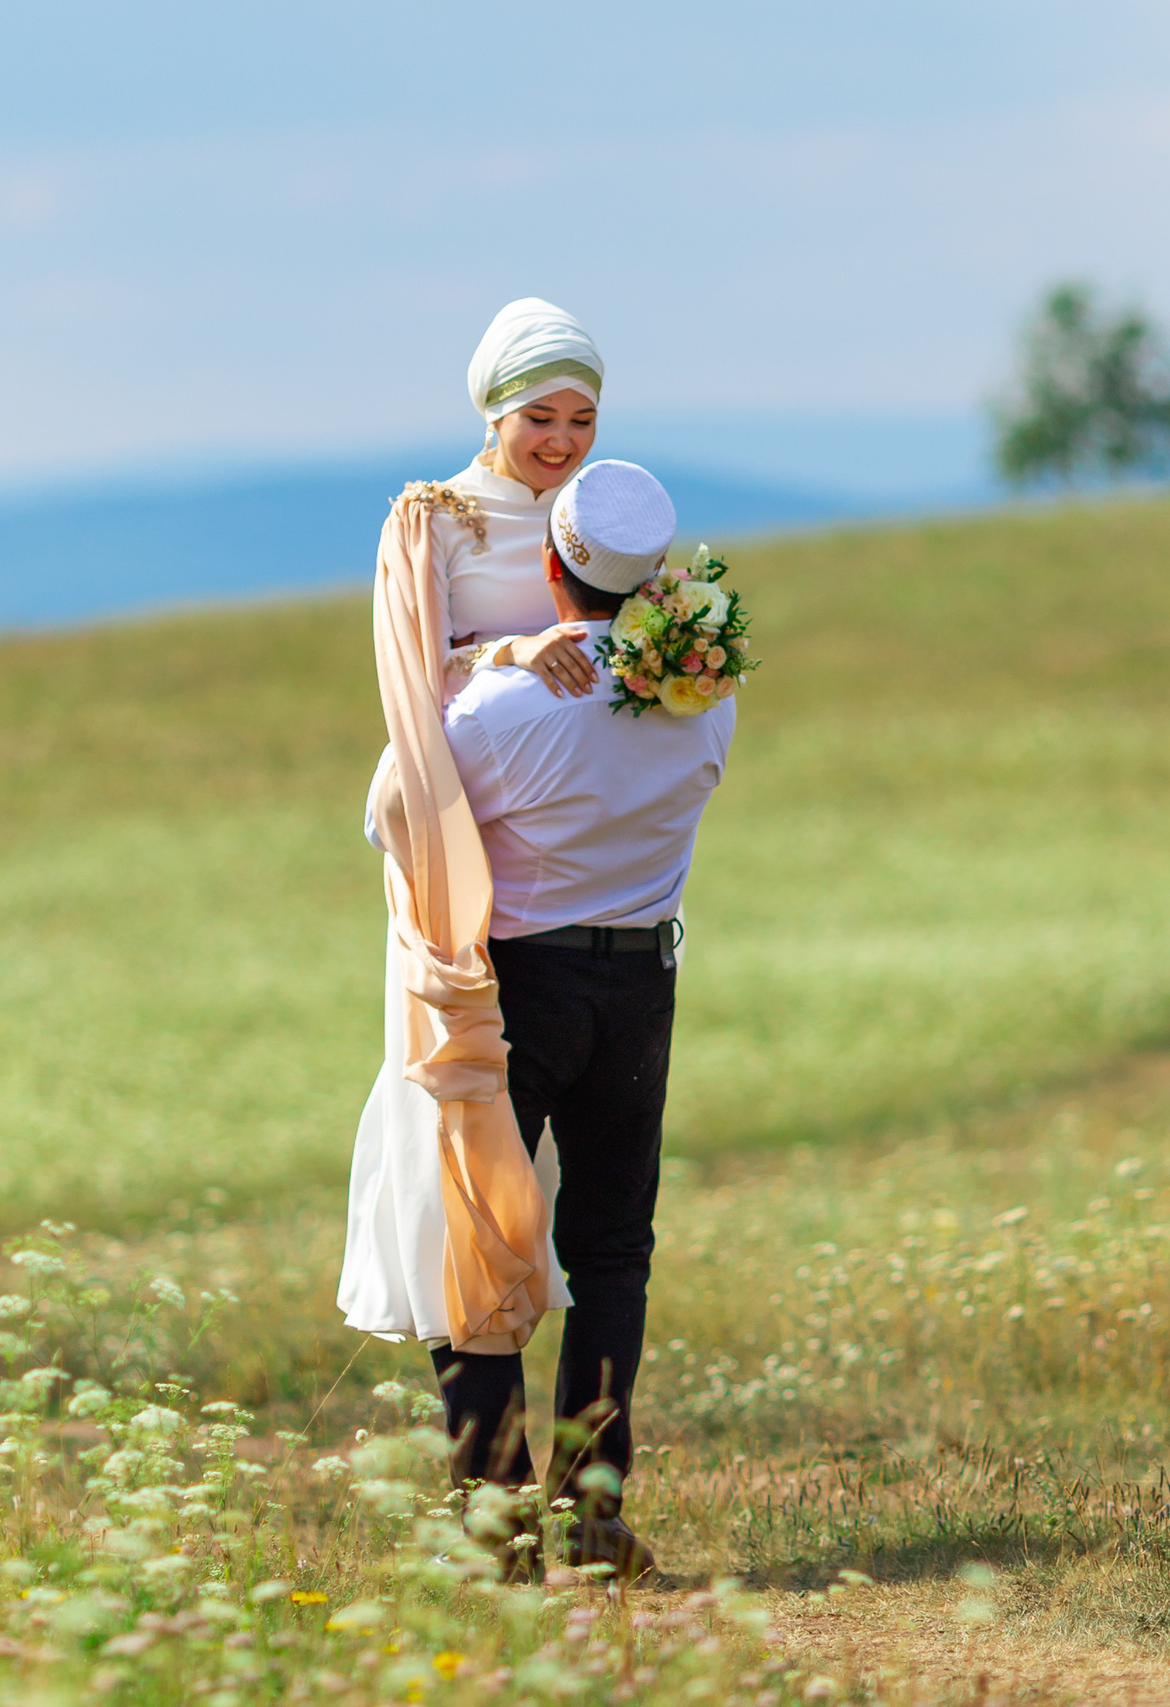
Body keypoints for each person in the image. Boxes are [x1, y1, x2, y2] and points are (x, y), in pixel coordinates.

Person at [373, 460, 735, 1581]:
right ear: (656, 582)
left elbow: (390, 816)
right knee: (612, 1249)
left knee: (468, 1231)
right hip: (641, 986)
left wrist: (467, 662)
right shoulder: (703, 695)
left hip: (519, 987)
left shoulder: (506, 703)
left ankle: (494, 1520)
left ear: (548, 564)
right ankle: (595, 1508)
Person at [339, 299, 616, 1368]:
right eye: (539, 417)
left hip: (564, 821)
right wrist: (509, 656)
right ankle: (465, 1303)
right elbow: (408, 673)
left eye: (581, 420)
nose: (559, 442)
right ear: (496, 411)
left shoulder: (594, 517)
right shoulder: (432, 517)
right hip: (451, 802)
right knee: (464, 1064)